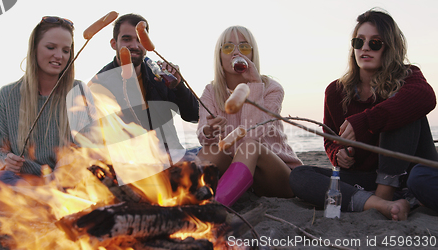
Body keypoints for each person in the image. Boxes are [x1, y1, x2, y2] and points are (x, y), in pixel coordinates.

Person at [289, 9, 437, 220]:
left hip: (411, 176)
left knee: (402, 104)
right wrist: (338, 154)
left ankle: (384, 194)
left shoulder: (408, 78)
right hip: (364, 179)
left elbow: (426, 97)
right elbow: (331, 140)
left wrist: (366, 121)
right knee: (299, 176)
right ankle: (379, 203)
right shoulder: (336, 92)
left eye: (375, 42)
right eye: (359, 42)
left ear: (390, 47)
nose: (365, 48)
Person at [0, 16, 81, 209]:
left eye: (66, 50)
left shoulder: (78, 91)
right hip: (25, 183)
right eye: (51, 47)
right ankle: (44, 201)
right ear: (34, 48)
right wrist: (5, 161)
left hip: (68, 182)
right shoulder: (7, 95)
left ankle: (46, 203)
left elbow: (87, 145)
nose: (59, 56)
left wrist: (62, 172)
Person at [196, 26, 302, 207]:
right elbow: (203, 136)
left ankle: (216, 206)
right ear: (219, 55)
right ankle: (187, 200)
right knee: (208, 152)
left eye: (244, 47)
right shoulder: (211, 91)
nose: (236, 52)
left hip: (277, 175)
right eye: (228, 47)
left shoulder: (271, 88)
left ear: (252, 55)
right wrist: (210, 130)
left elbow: (252, 135)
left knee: (249, 147)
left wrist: (254, 84)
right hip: (242, 176)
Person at [86, 13, 199, 164]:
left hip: (174, 157)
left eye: (140, 40)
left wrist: (179, 86)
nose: (134, 45)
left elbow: (194, 115)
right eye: (127, 39)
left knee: (217, 152)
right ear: (114, 43)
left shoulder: (159, 75)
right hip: (134, 166)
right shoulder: (99, 84)